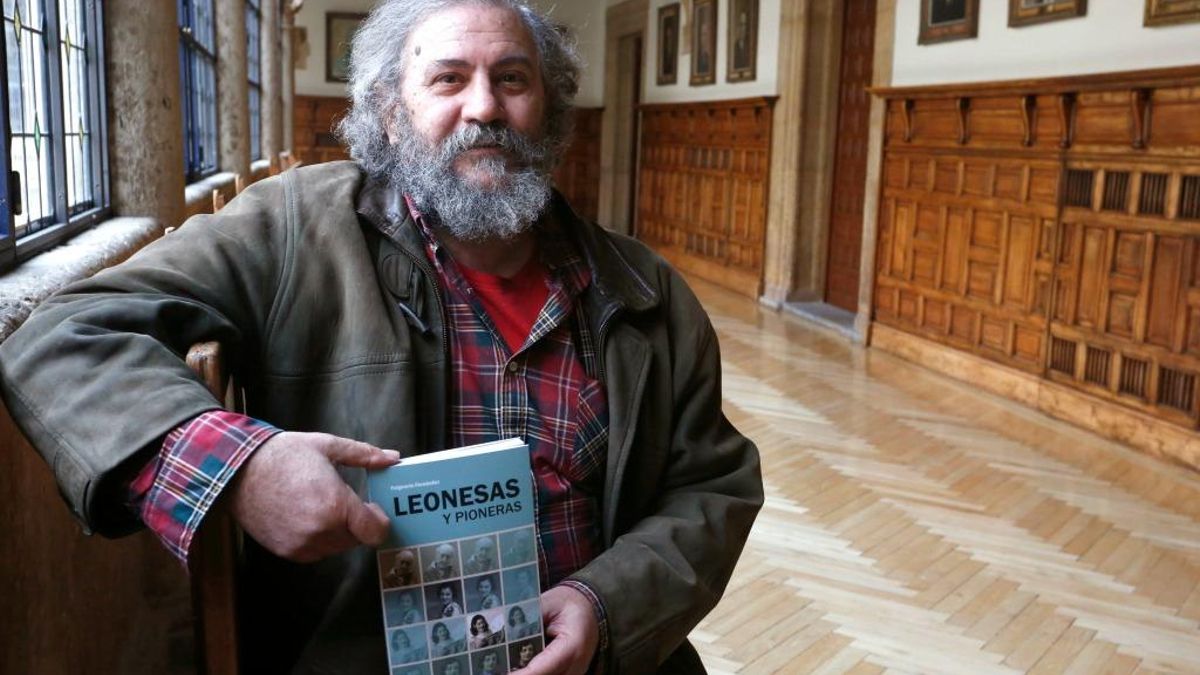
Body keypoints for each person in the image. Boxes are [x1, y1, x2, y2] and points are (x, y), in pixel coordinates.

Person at [0, 0, 762, 672]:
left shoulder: (644, 292)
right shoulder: (296, 226)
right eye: (448, 79)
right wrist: (239, 466)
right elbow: (60, 335)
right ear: (392, 112)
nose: (485, 106)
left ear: (552, 108)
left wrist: (604, 607)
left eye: (513, 78)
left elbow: (712, 488)